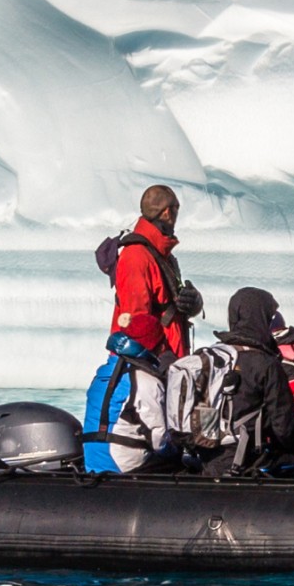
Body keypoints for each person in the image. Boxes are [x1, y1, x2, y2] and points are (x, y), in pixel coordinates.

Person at [83, 185, 203, 476]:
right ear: (168, 211)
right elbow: (137, 319)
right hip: (145, 362)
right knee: (156, 428)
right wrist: (161, 359)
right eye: (174, 210)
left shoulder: (160, 253)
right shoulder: (137, 256)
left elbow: (168, 307)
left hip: (162, 361)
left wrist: (194, 303)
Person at [194, 288, 294, 475]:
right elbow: (285, 429)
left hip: (207, 457)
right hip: (250, 461)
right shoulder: (265, 363)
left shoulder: (207, 357)